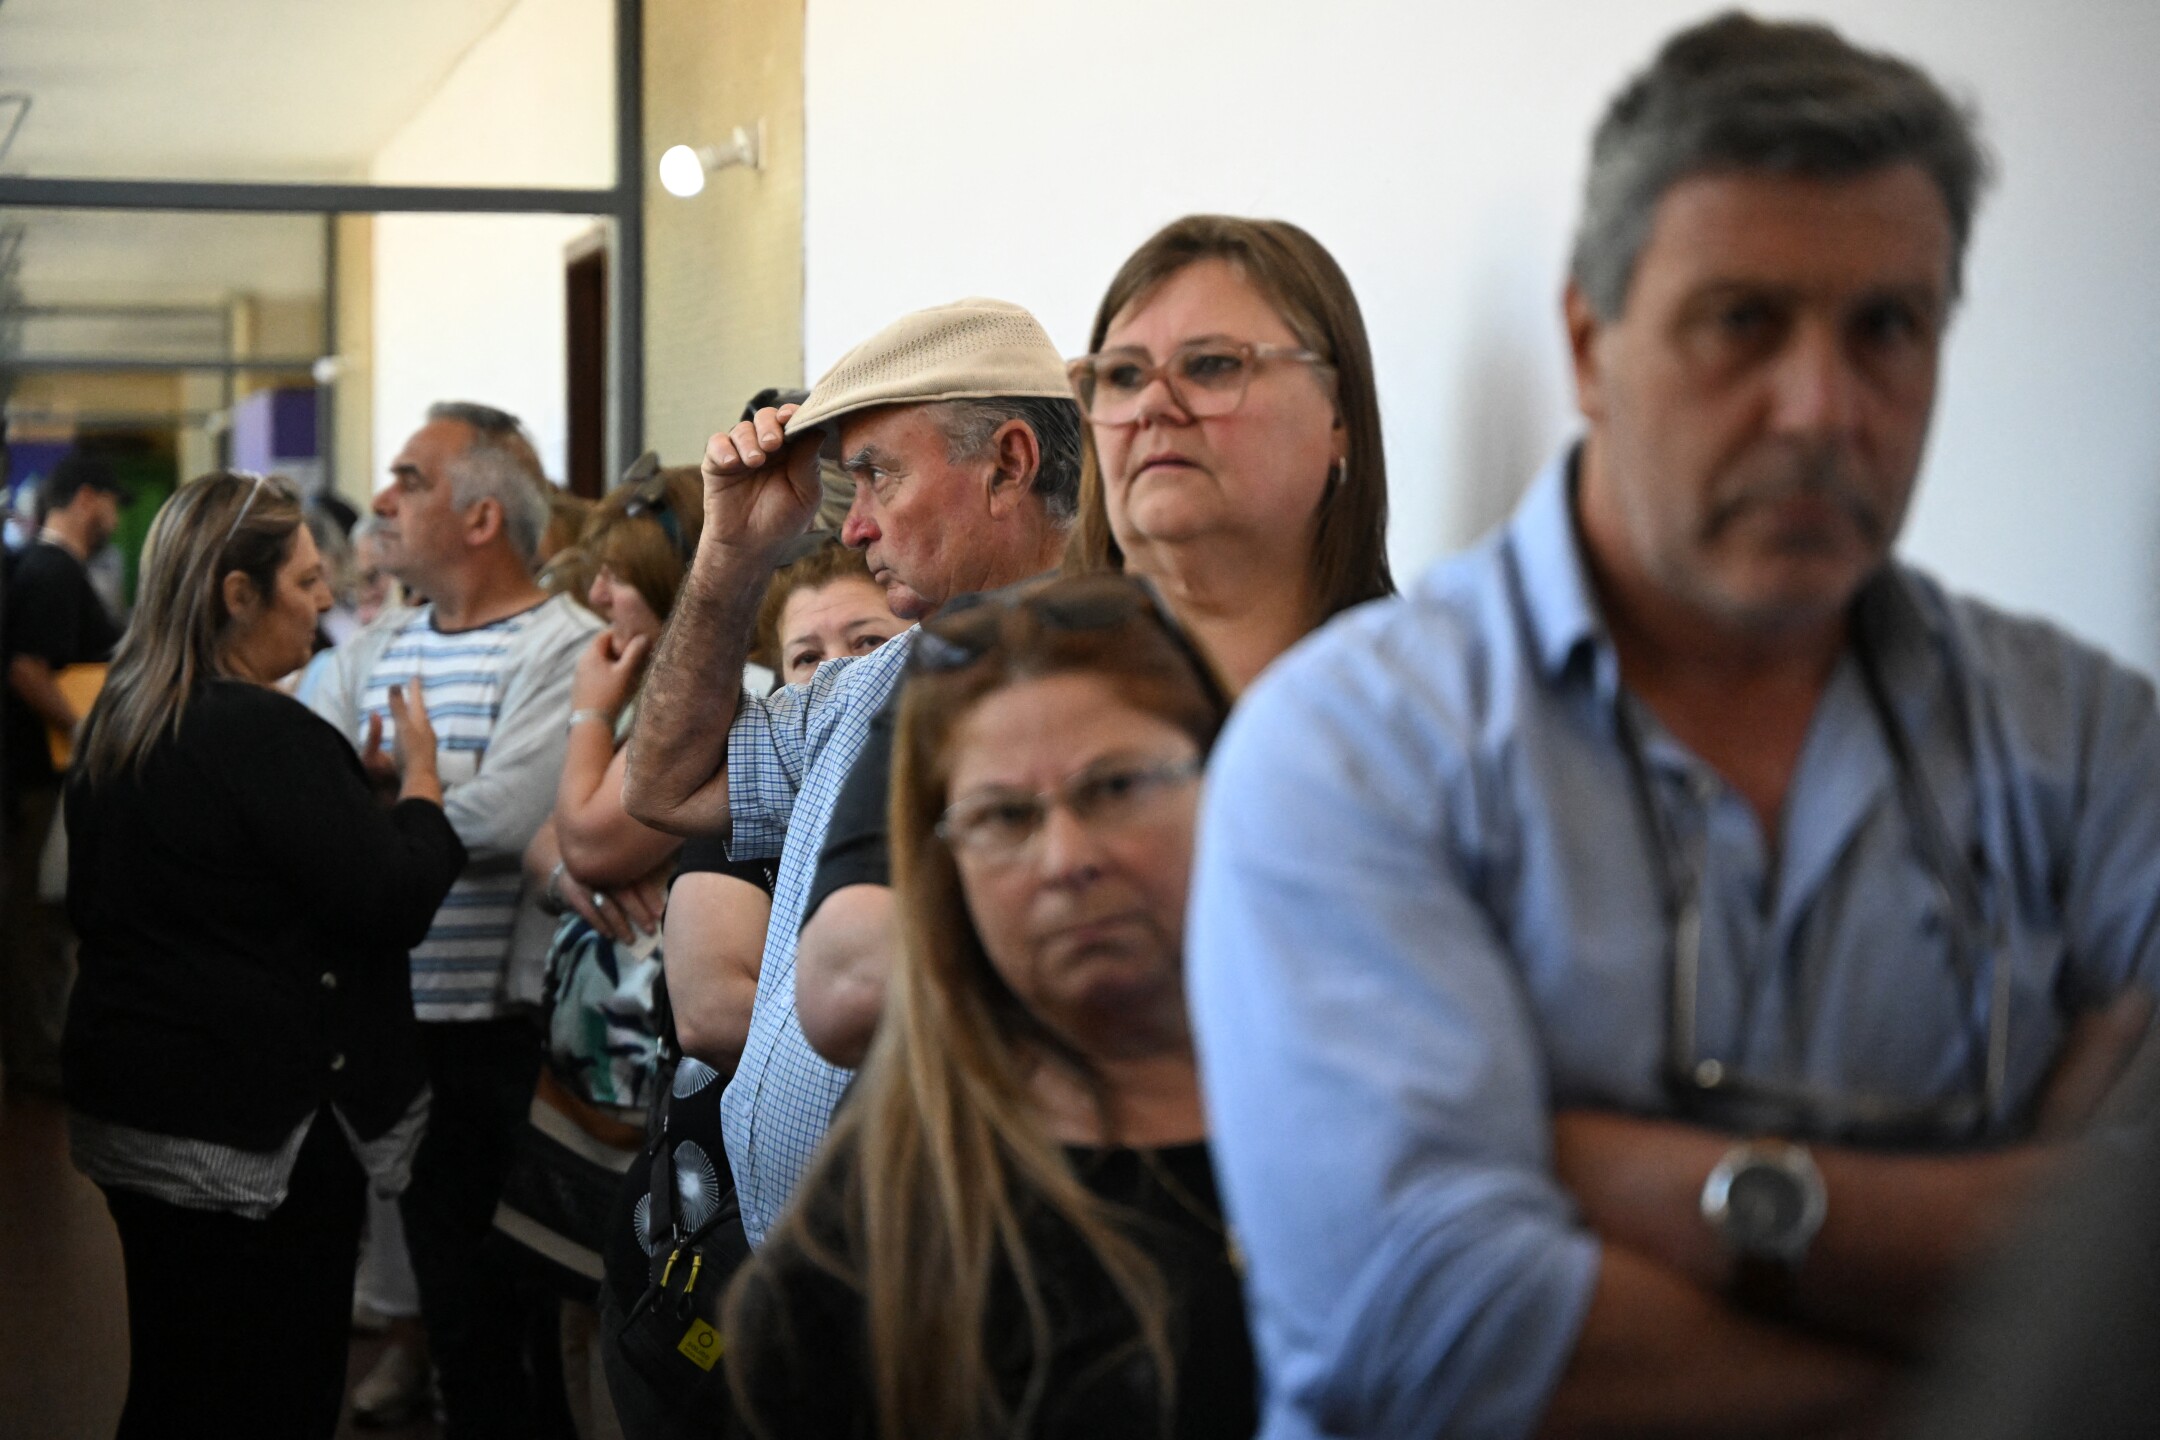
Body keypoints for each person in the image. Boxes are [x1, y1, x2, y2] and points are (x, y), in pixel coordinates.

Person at [1188, 14, 2160, 1438]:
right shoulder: (1350, 749)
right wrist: (2032, 1366)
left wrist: (1663, 1187)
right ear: (1591, 343)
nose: (1822, 408)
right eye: (1742, 322)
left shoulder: (2080, 743)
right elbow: (1436, 1336)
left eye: (1887, 327)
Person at [724, 573, 1254, 1440]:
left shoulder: (1357, 1109)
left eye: (1115, 788)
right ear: (947, 872)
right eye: (1004, 817)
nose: (1065, 859)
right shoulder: (880, 1211)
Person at [623, 298, 1082, 1245]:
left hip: (947, 1281)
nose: (856, 527)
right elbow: (663, 784)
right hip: (814, 1278)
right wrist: (732, 554)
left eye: (876, 476)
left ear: (1009, 463)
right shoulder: (876, 680)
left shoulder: (1108, 694)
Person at [61, 471, 464, 1439]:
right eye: (306, 581)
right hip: (254, 1140)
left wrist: (342, 798)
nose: (326, 602)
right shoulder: (262, 730)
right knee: (273, 1393)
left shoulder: (123, 716)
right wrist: (420, 788)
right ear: (237, 595)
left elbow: (221, 875)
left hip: (142, 1115)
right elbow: (387, 899)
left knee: (174, 1381)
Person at [310, 401, 601, 1439]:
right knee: (441, 1303)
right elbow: (308, 802)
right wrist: (410, 804)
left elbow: (513, 813)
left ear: (482, 519)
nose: (382, 500)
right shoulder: (374, 647)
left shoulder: (567, 647)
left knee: (504, 1314)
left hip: (499, 1040)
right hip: (380, 1024)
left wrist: (395, 802)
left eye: (410, 479)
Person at [1067, 214, 1393, 689]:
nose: (1152, 405)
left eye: (1211, 365)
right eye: (1123, 375)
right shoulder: (1001, 707)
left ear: (1338, 415)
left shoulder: (1432, 709)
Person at [666, 537, 908, 1074]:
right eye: (807, 657)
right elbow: (709, 1016)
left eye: (869, 643)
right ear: (778, 680)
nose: (839, 674)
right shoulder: (748, 803)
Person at [2, 450, 126, 1092]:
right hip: (38, 782)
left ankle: (39, 1052)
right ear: (86, 498)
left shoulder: (48, 569)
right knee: (35, 922)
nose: (112, 519)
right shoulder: (52, 572)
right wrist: (88, 730)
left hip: (46, 781)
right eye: (111, 503)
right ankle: (37, 1057)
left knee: (44, 921)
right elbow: (27, 667)